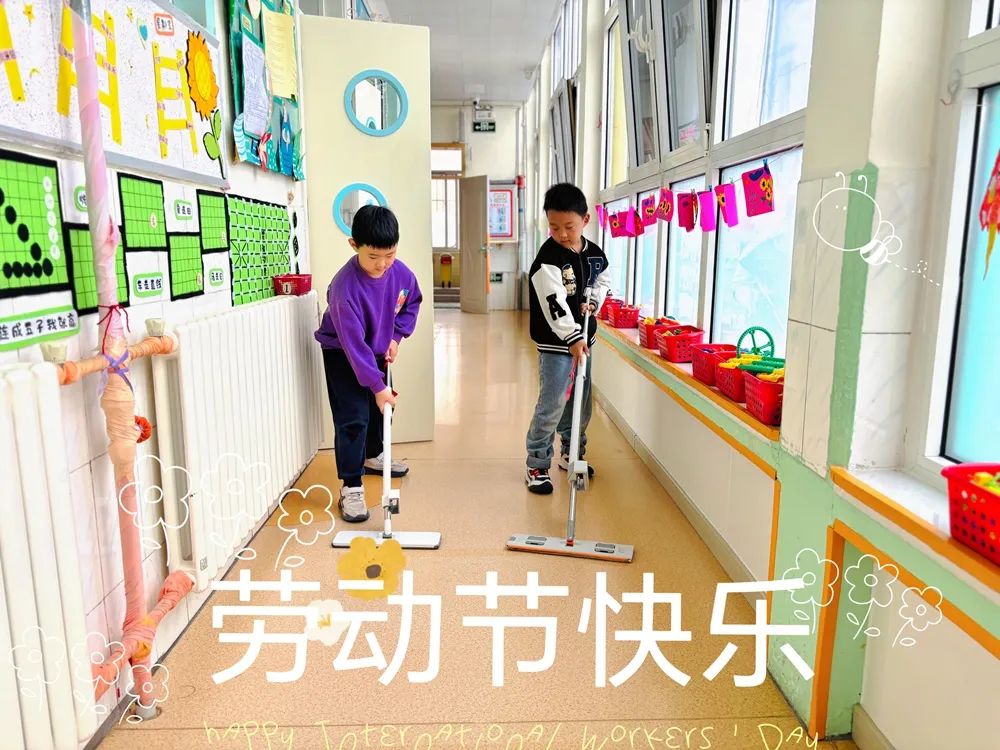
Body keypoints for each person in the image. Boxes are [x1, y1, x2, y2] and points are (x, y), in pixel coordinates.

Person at [315, 205, 422, 522]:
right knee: (353, 418)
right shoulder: (345, 288)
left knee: (381, 410)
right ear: (354, 245)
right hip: (343, 353)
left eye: (389, 255)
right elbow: (353, 345)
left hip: (376, 350)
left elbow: (411, 302)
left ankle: (374, 456)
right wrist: (376, 385)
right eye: (373, 256)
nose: (382, 264)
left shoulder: (400, 273)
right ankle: (351, 486)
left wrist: (396, 337)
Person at [524, 183, 611, 494]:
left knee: (581, 402)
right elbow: (554, 303)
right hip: (557, 344)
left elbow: (602, 280)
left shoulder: (595, 254)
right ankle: (537, 462)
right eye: (554, 226)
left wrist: (594, 301)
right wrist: (572, 337)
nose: (561, 233)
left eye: (569, 226)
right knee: (553, 402)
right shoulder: (547, 258)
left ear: (585, 220)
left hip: (584, 342)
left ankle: (573, 453)